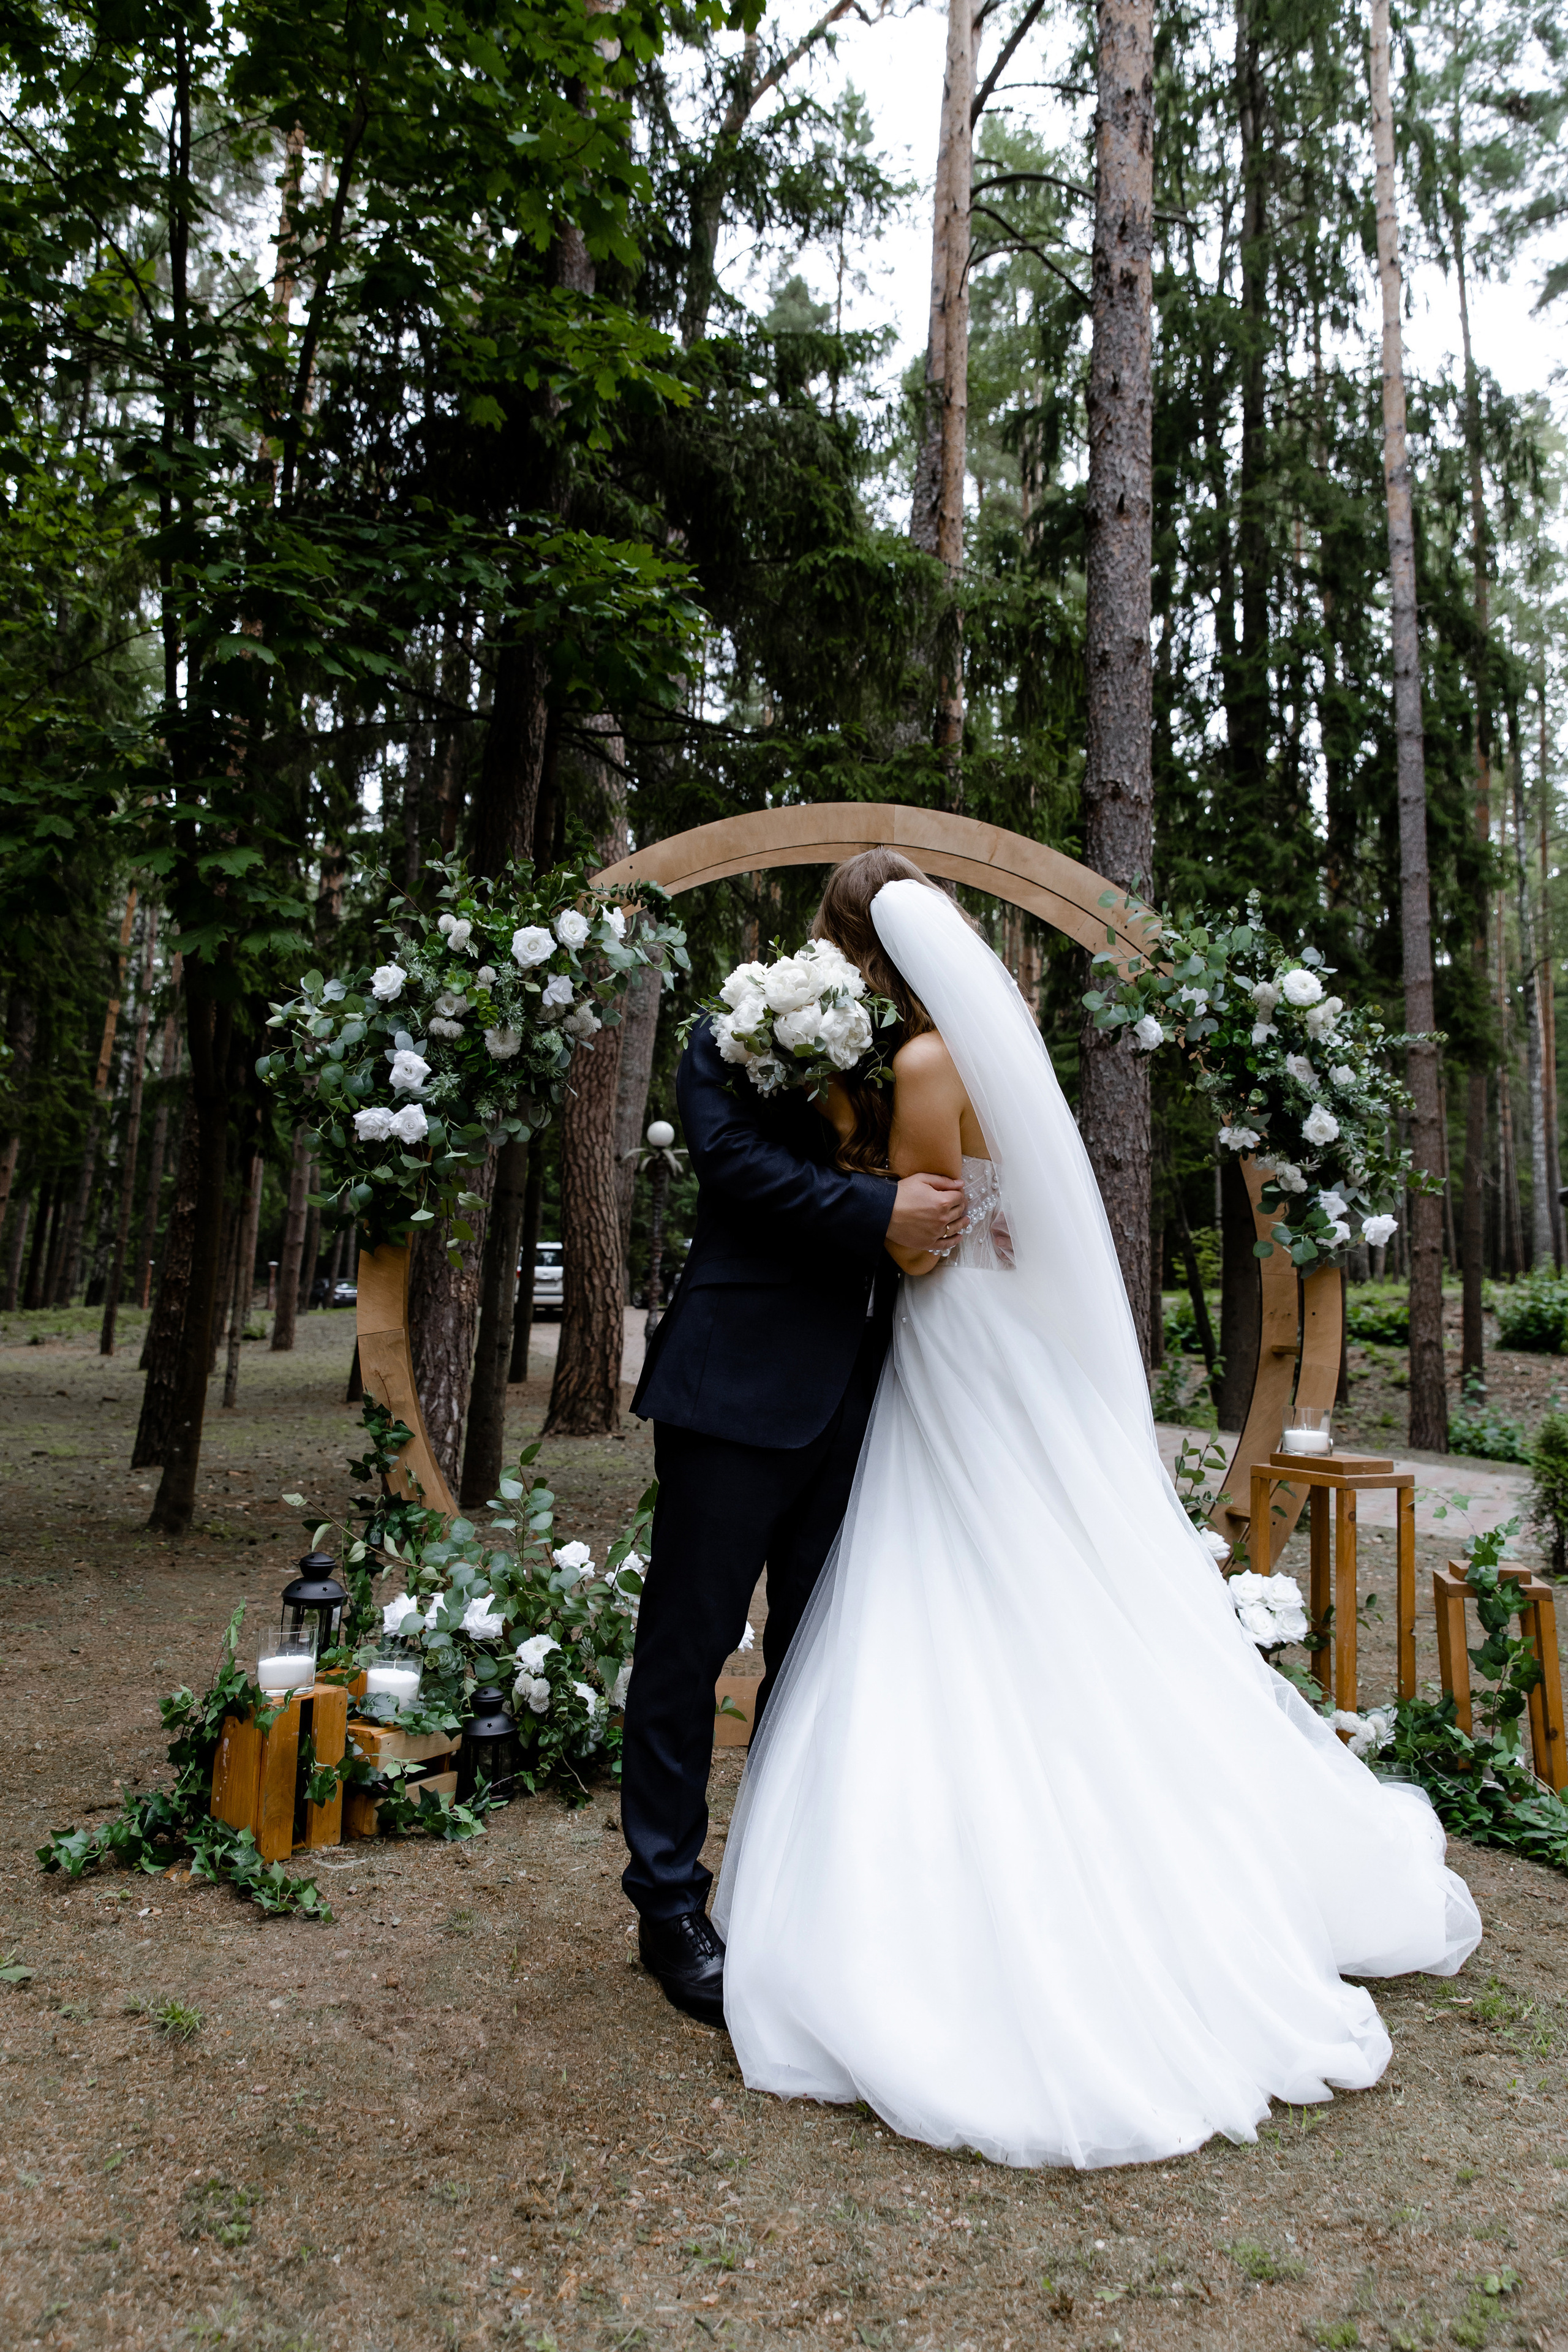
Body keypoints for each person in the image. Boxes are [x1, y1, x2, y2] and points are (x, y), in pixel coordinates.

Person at [714, 851, 1482, 2169]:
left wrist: (843, 1171)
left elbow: (923, 1234)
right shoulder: (990, 1049)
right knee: (1041, 1574)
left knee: (949, 1571)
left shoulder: (915, 1068)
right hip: (1016, 1347)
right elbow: (1019, 1221)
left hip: (953, 1344)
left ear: (861, 952)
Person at [621, 960, 967, 2025]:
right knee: (688, 1650)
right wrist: (880, 1210)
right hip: (733, 1387)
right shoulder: (730, 1039)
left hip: (861, 1402)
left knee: (816, 1658)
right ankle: (669, 1905)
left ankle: (787, 1888)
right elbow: (732, 1167)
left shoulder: (899, 1060)